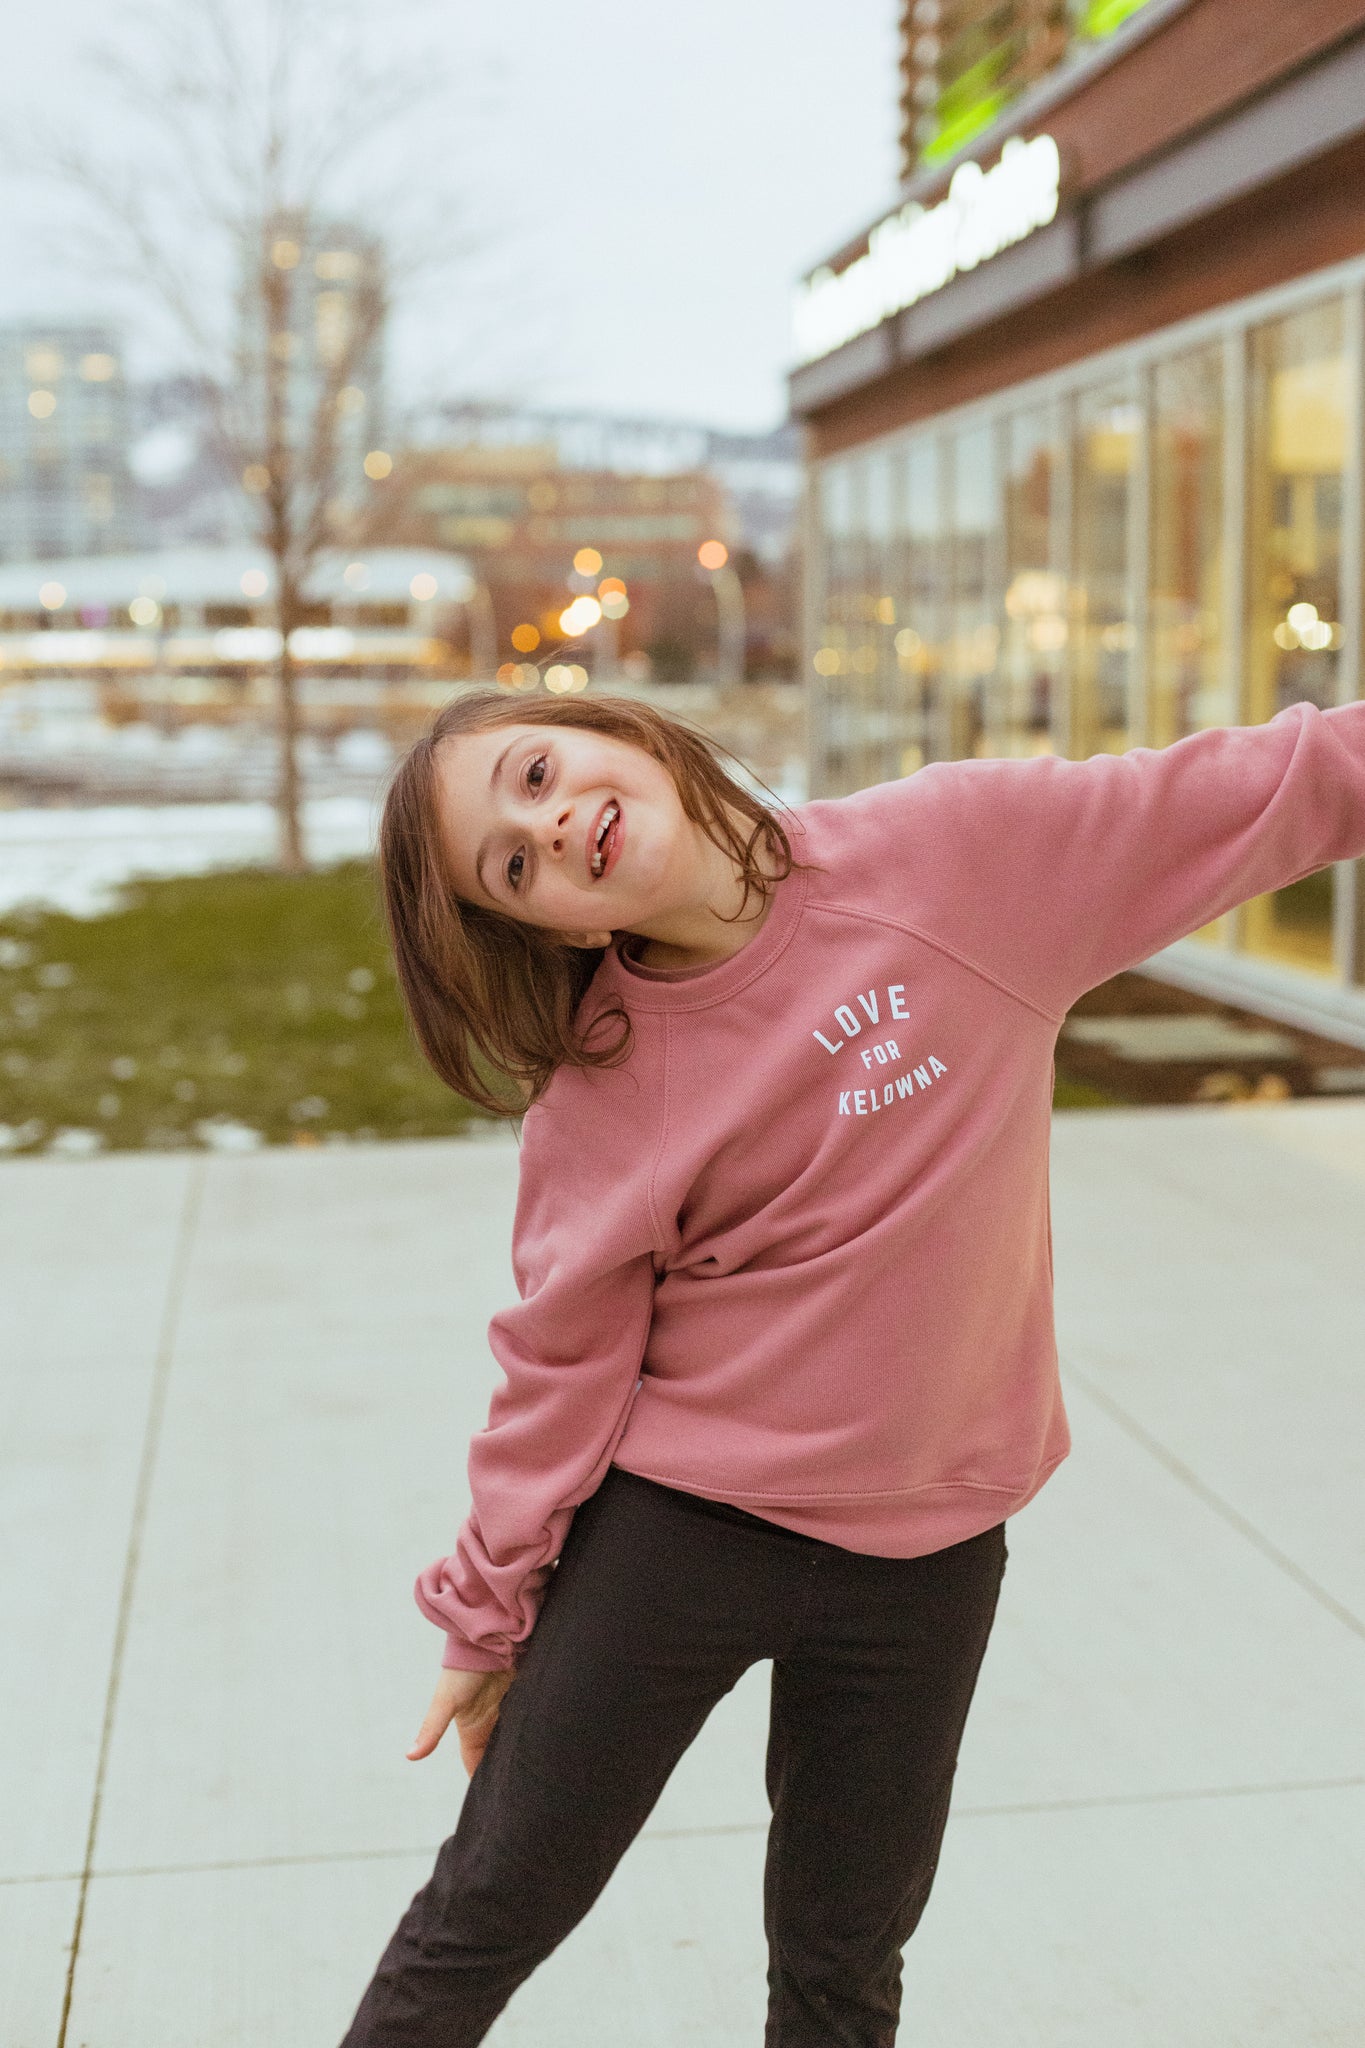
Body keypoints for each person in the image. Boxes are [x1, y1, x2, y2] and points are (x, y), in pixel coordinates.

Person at [341, 686, 1365, 2047]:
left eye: (537, 772)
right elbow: (558, 1368)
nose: (548, 826)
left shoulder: (964, 856)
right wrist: (488, 1615)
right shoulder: (606, 1085)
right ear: (554, 929)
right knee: (484, 1916)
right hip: (680, 1541)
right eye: (510, 864)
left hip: (928, 1555)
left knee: (840, 1966)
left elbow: (1285, 782)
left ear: (627, 735)